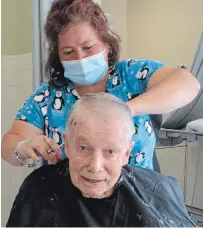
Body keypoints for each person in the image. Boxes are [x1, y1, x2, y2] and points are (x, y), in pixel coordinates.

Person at [1, 0, 200, 171]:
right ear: (58, 56)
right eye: (68, 52)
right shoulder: (48, 98)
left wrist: (124, 110)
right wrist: (23, 148)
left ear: (106, 44)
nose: (80, 57)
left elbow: (187, 84)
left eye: (88, 47)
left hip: (137, 205)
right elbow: (10, 143)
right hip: (75, 211)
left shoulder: (131, 76)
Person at [6, 93, 195, 227]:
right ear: (68, 144)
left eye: (110, 151)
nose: (95, 166)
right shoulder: (39, 188)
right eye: (83, 148)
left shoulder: (159, 190)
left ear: (126, 154)